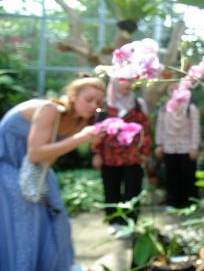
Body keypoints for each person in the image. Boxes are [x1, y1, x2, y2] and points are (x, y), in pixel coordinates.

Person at [0, 77, 106, 271]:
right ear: (73, 96)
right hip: (7, 167)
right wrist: (79, 138)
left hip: (37, 170)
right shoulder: (49, 110)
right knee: (25, 222)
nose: (93, 106)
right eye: (89, 99)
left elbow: (49, 157)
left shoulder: (80, 121)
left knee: (56, 215)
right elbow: (36, 153)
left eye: (98, 103)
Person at [92, 77, 152, 232]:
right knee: (111, 190)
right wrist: (97, 153)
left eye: (129, 84)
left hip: (133, 157)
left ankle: (130, 222)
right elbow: (97, 132)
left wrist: (144, 151)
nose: (127, 86)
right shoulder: (104, 106)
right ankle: (114, 221)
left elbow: (145, 130)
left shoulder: (138, 105)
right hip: (109, 158)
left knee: (133, 191)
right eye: (123, 82)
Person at [155, 86, 200, 208]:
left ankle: (191, 202)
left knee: (188, 175)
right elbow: (160, 127)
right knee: (171, 175)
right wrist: (159, 144)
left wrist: (194, 147)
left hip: (186, 148)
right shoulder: (164, 109)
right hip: (169, 147)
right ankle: (172, 202)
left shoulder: (191, 108)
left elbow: (195, 129)